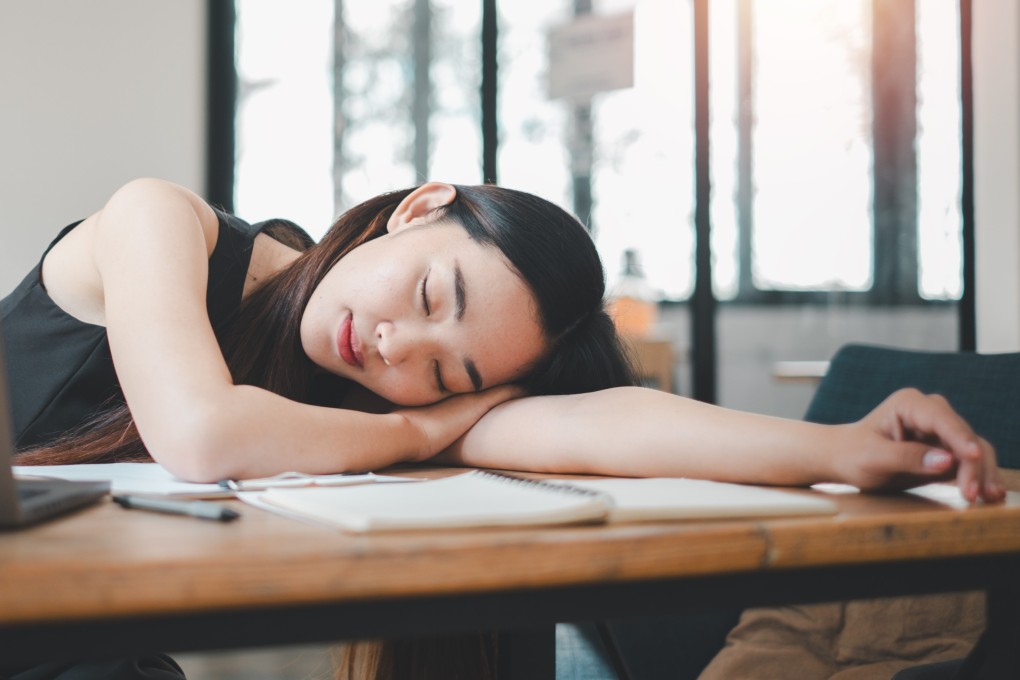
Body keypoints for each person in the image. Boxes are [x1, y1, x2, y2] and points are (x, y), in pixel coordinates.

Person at [1, 178, 1005, 679]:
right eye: (433, 290)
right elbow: (203, 433)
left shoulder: (357, 393)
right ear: (421, 207)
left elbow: (600, 426)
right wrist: (426, 427)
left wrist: (839, 445)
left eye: (444, 373)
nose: (395, 346)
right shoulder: (157, 219)